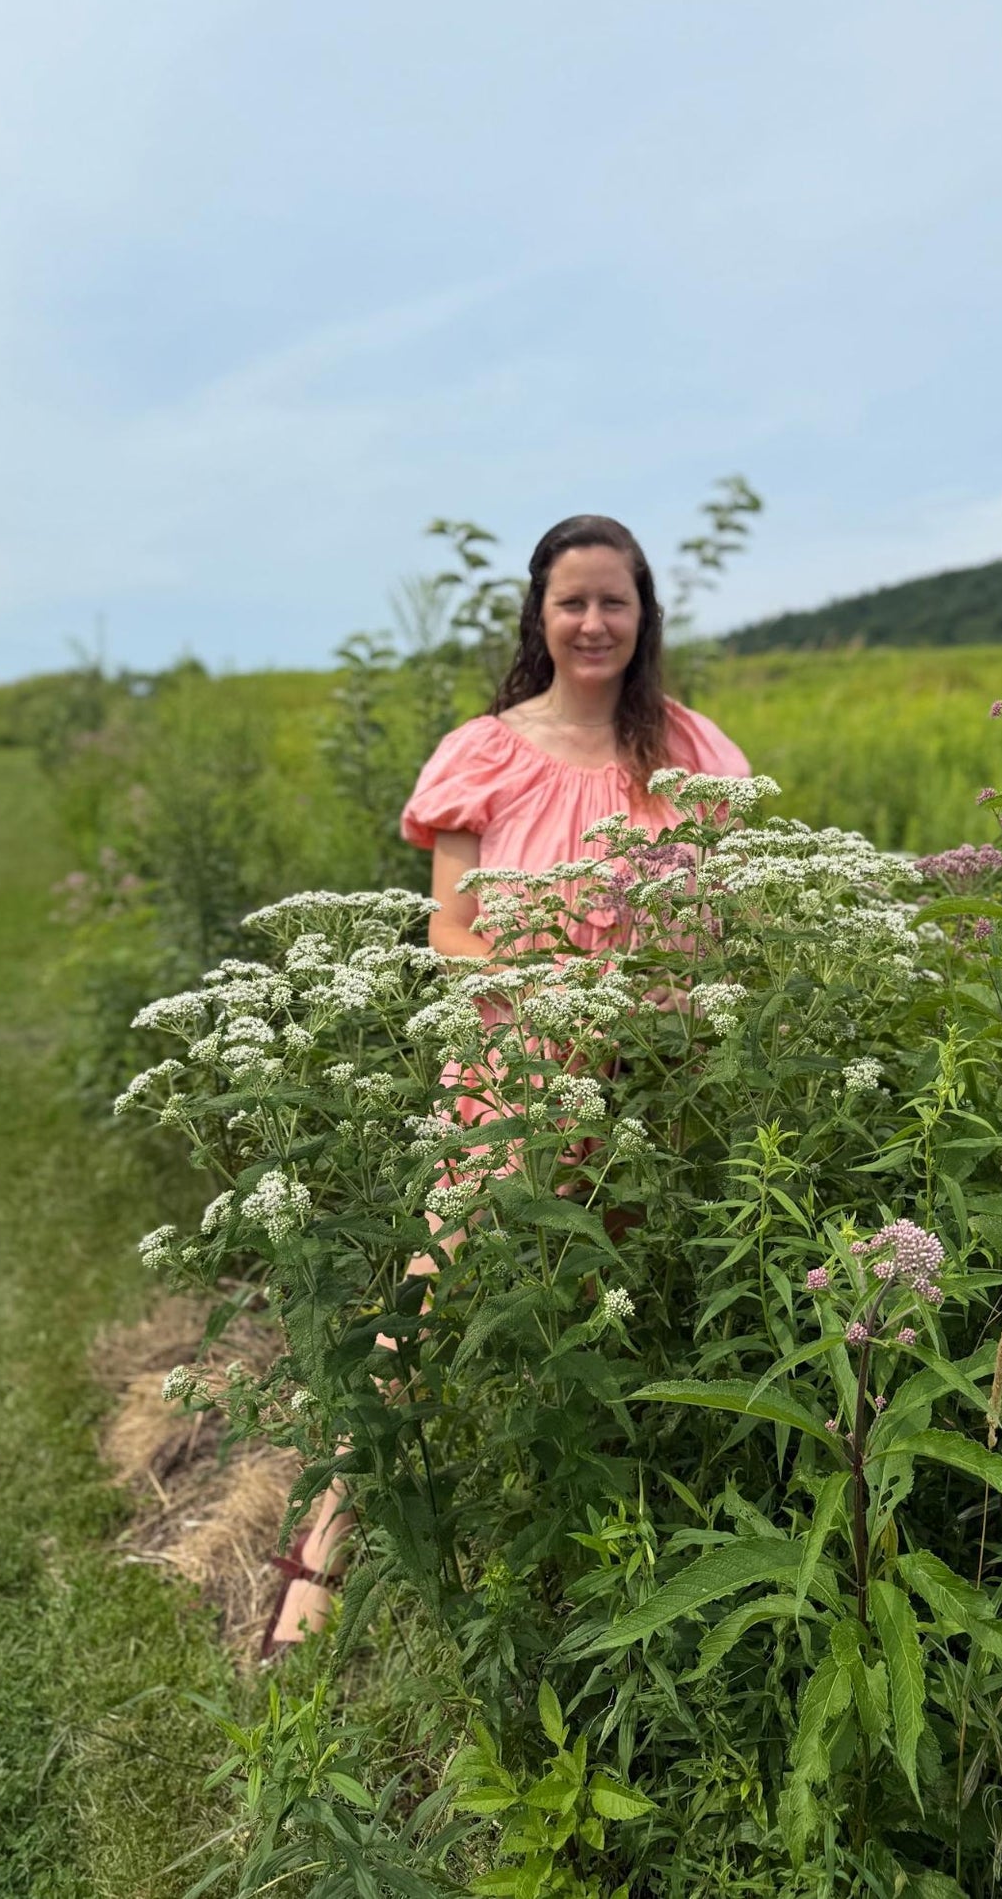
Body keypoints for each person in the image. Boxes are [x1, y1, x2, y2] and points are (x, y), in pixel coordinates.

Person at [264, 512, 749, 1652]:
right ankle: (318, 1558)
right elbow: (452, 937)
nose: (593, 622)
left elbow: (724, 914)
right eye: (572, 601)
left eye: (613, 601)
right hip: (508, 1074)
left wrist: (657, 999)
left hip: (651, 1080)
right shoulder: (485, 751)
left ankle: (590, 1557)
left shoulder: (686, 752)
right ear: (539, 613)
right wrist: (554, 1006)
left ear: (643, 616)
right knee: (425, 1311)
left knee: (623, 1307)